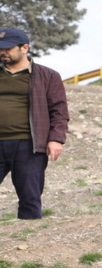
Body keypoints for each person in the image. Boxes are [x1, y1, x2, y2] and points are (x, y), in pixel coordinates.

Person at [0, 28, 69, 219]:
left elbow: (59, 111)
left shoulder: (48, 76)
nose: (2, 52)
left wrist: (56, 139)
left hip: (29, 144)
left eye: (8, 48)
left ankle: (29, 238)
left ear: (25, 48)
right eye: (0, 49)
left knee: (30, 196)